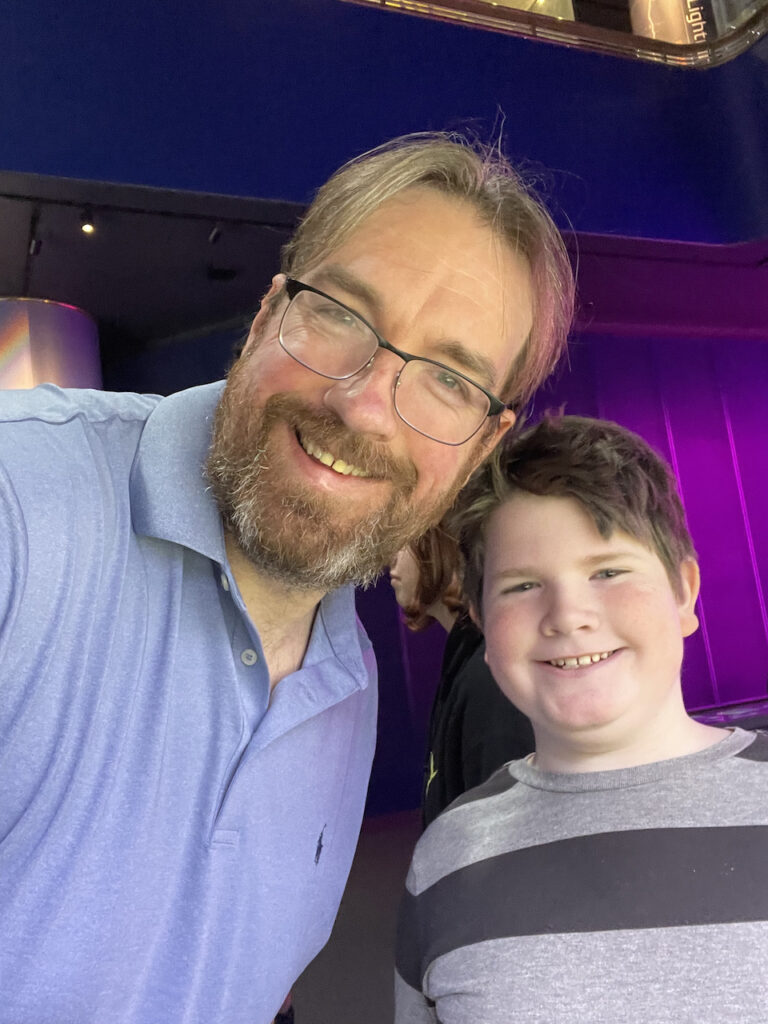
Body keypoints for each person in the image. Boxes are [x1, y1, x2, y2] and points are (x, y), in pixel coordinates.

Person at [0, 134, 574, 1024]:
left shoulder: (347, 685)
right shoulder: (22, 501)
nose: (363, 402)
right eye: (342, 313)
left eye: (449, 379)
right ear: (268, 314)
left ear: (481, 447)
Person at [395, 415, 768, 1024]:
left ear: (684, 593)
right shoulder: (447, 858)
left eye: (608, 572)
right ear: (484, 627)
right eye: (521, 586)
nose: (568, 615)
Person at [389, 527, 534, 828]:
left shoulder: (489, 676)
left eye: (406, 543)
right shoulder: (464, 662)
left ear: (447, 549)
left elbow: (503, 835)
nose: (391, 559)